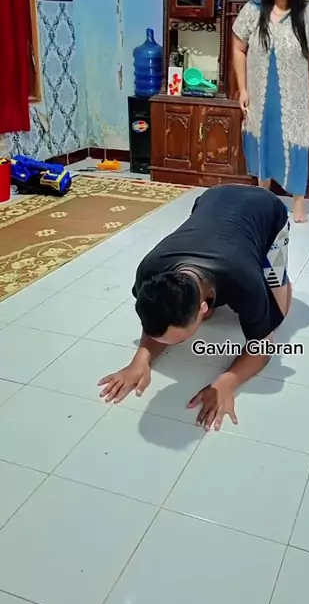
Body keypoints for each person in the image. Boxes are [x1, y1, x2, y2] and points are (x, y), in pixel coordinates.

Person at [98, 184, 292, 432]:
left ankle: (278, 277)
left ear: (201, 307)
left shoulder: (244, 280)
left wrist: (227, 382)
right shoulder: (150, 273)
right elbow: (157, 319)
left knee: (278, 314)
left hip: (264, 206)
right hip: (212, 197)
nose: (169, 345)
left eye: (178, 340)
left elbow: (263, 346)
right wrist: (140, 359)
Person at [232, 0, 309, 223]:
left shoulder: (308, 14)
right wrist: (243, 89)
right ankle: (263, 200)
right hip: (260, 95)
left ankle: (298, 203)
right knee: (262, 140)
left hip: (295, 97)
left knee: (297, 143)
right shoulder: (253, 11)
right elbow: (238, 49)